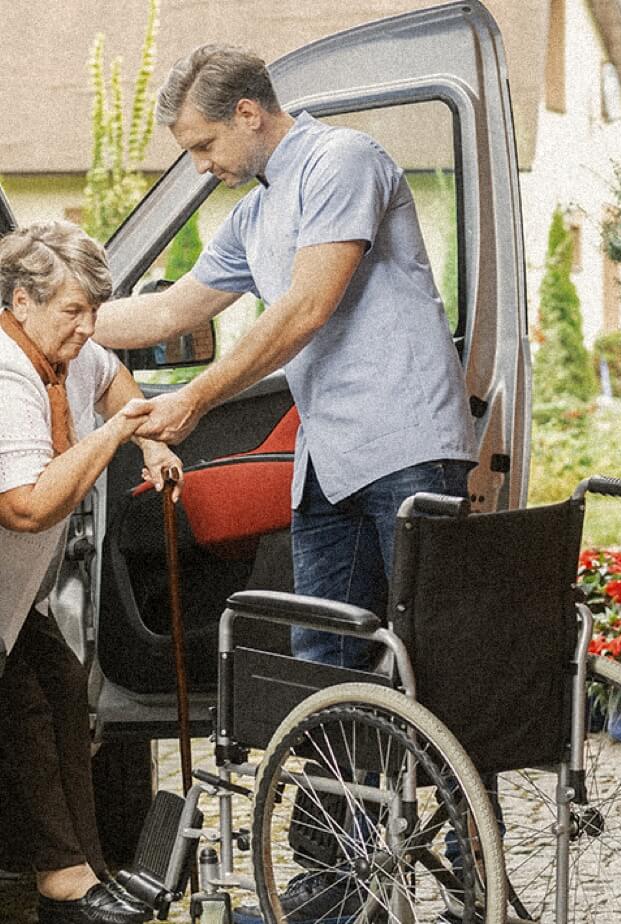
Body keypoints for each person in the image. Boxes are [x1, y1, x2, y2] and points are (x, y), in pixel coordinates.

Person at [91, 44, 478, 924]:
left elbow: (306, 308)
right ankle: (340, 889)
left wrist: (195, 396)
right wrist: (47, 317)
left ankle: (468, 873)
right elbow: (170, 310)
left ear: (249, 115)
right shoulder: (251, 215)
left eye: (201, 147)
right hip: (328, 462)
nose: (201, 166)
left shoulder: (345, 161)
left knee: (434, 667)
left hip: (406, 446)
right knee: (327, 672)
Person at [0, 221, 183, 924]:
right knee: (25, 707)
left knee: (65, 683)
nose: (88, 328)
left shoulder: (71, 353)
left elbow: (114, 380)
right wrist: (115, 436)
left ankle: (86, 869)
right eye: (73, 311)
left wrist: (145, 442)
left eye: (94, 312)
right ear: (21, 303)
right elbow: (28, 506)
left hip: (17, 599)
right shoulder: (9, 371)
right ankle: (62, 875)